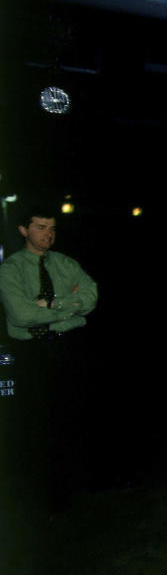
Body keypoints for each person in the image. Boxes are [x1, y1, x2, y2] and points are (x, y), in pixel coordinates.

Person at [0, 206, 97, 508]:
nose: (48, 234)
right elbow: (20, 314)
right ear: (23, 230)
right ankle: (41, 493)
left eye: (52, 228)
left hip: (66, 347)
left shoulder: (66, 264)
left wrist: (51, 304)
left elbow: (91, 297)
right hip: (33, 354)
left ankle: (72, 486)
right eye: (40, 227)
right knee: (38, 421)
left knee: (72, 415)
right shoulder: (10, 269)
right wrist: (70, 307)